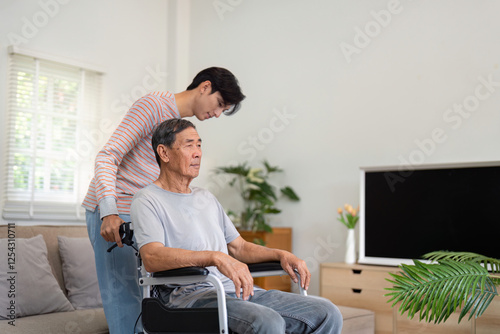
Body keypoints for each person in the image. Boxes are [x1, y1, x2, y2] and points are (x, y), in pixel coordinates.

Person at [130, 118, 343, 334]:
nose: (198, 153)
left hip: (235, 290)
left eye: (199, 145)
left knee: (327, 313)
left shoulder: (206, 197)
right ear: (164, 153)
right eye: (189, 145)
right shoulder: (147, 199)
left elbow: (238, 247)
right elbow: (152, 257)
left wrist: (280, 254)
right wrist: (214, 257)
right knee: (267, 321)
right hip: (190, 297)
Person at [82, 67, 245, 334]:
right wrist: (109, 212)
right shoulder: (154, 105)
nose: (217, 114)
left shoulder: (178, 126)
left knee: (151, 306)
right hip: (115, 213)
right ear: (204, 87)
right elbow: (107, 157)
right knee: (128, 306)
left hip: (140, 215)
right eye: (219, 104)